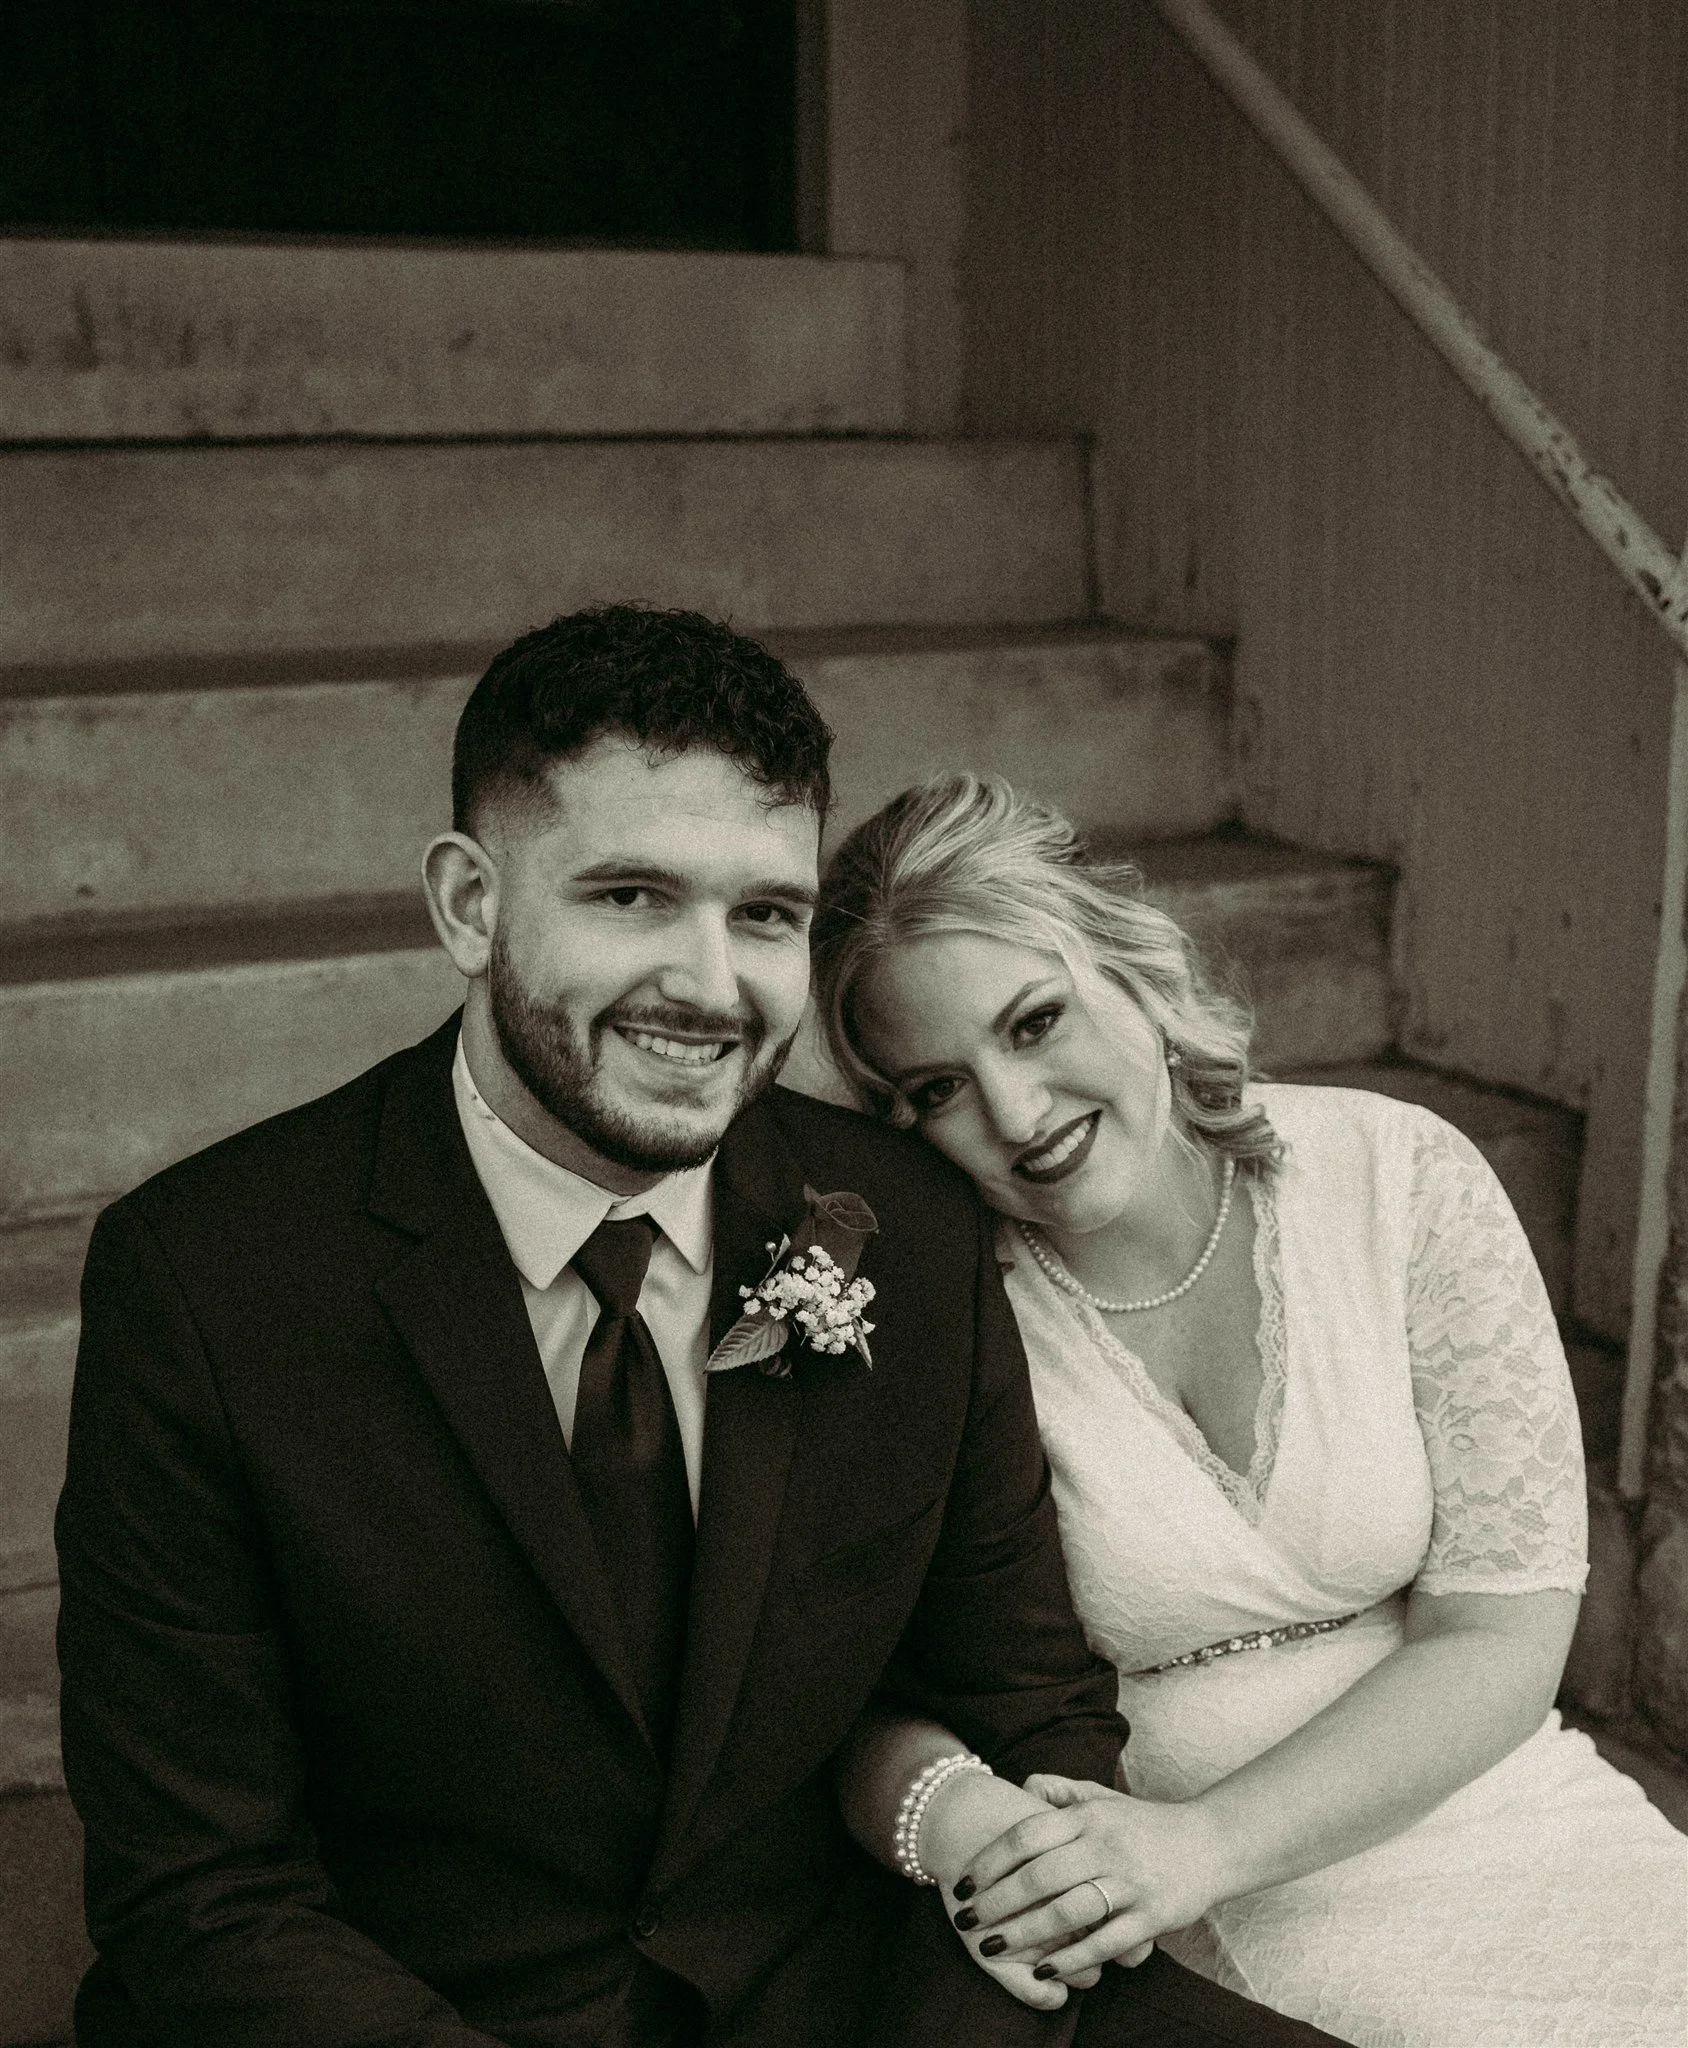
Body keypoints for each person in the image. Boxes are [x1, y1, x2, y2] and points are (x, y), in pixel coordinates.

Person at [55, 608, 1342, 2048]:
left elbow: (1025, 1699)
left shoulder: (902, 1227)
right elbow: (201, 1890)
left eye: (766, 915)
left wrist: (1020, 1883)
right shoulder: (207, 1277)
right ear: (471, 904)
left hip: (870, 1990)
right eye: (630, 896)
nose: (711, 984)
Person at [809, 771, 1688, 2048]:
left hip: (1498, 1803)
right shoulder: (931, 1308)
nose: (1014, 1111)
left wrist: (1206, 1843)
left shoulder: (1399, 1176)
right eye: (935, 1087)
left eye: (1035, 1021)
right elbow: (840, 1690)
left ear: (1129, 963)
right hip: (1171, 1889)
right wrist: (972, 1827)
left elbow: (1499, 1632)